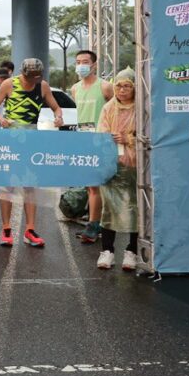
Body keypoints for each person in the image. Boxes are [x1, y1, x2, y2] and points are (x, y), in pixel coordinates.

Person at [0, 58, 65, 248]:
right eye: (28, 78)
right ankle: (6, 230)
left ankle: (30, 230)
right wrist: (1, 119)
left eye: (35, 78)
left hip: (31, 139)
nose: (32, 81)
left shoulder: (42, 86)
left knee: (30, 185)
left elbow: (56, 107)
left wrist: (58, 117)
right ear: (22, 73)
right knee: (8, 186)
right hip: (10, 138)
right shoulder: (9, 84)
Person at [96, 69, 139, 271]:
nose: (122, 90)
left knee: (135, 206)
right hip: (112, 165)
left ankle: (132, 251)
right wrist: (110, 138)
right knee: (109, 207)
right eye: (118, 86)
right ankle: (107, 251)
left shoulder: (142, 109)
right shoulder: (108, 108)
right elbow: (101, 133)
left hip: (136, 166)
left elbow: (150, 135)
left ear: (134, 88)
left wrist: (129, 139)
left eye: (127, 86)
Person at [71, 50, 114, 244]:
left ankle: (95, 225)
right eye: (78, 61)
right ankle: (93, 222)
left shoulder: (105, 87)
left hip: (102, 142)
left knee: (96, 186)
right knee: (90, 186)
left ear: (94, 64)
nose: (81, 65)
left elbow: (118, 110)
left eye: (85, 62)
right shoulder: (75, 88)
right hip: (82, 141)